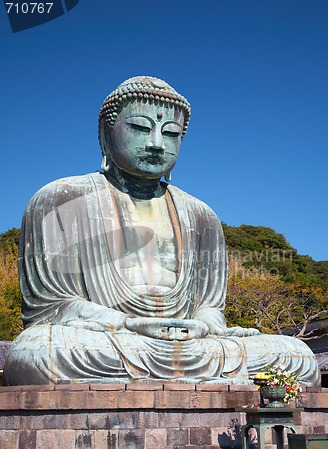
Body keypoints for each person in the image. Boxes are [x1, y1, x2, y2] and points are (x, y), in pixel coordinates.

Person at [4, 76, 320, 386]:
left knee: (297, 356)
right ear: (105, 133)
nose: (156, 143)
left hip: (190, 344)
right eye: (141, 128)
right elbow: (51, 307)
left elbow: (209, 307)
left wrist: (203, 327)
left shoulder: (200, 215)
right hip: (110, 339)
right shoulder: (60, 199)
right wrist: (126, 323)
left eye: (171, 134)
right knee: (37, 350)